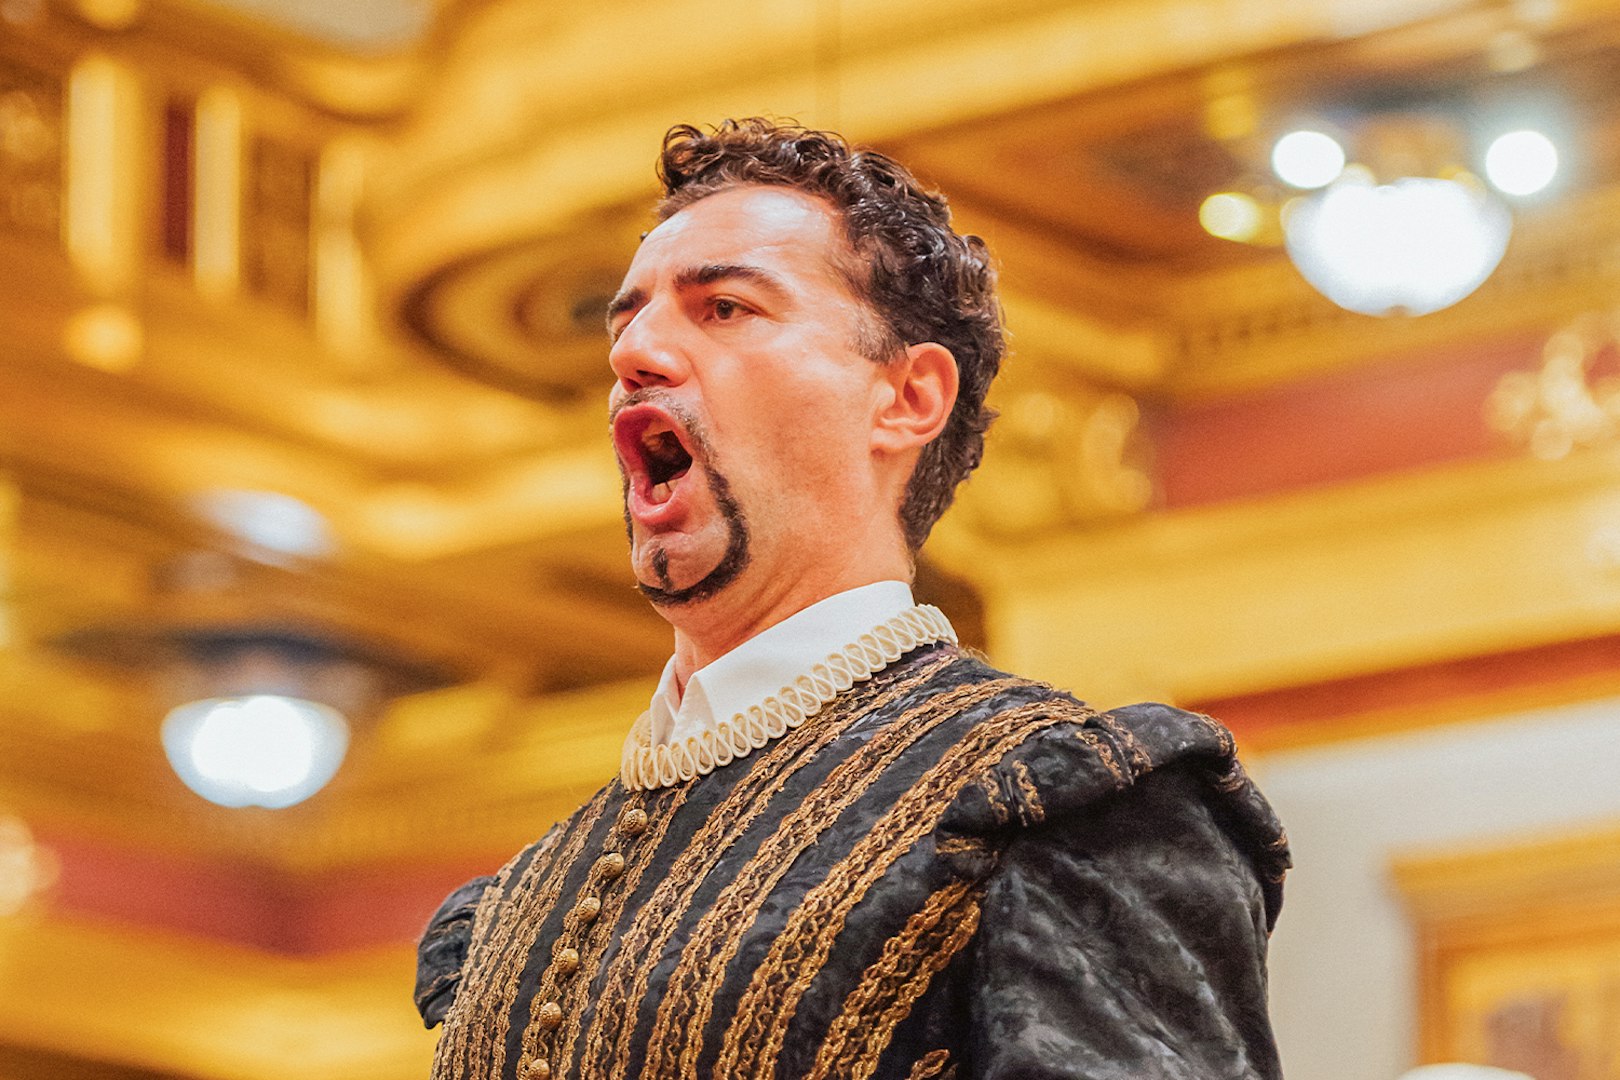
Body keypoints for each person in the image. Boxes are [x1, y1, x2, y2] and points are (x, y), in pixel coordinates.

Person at [415, 118, 1290, 1080]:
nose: (635, 354)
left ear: (907, 398)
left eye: (727, 309)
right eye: (626, 320)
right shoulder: (524, 901)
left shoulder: (1056, 808)